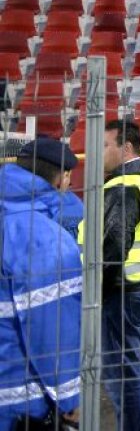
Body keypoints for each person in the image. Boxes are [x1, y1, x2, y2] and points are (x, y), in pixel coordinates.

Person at [82, 120, 140, 431]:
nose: (97, 153)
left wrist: (96, 292)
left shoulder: (123, 187)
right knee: (129, 366)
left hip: (124, 292)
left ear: (126, 147)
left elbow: (114, 245)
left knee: (122, 374)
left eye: (105, 146)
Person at [0, 138, 82, 430]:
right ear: (63, 177)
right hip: (20, 402)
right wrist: (70, 398)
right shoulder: (43, 237)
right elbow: (52, 329)